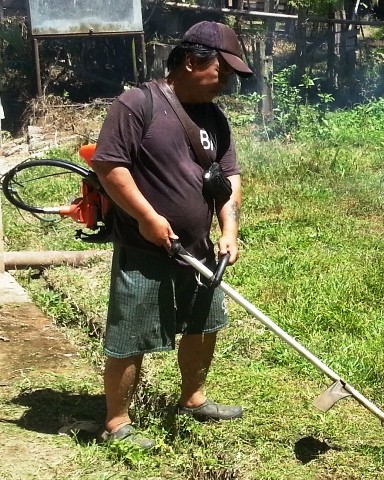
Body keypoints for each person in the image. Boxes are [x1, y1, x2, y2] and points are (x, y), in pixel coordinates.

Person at [91, 20, 253, 449]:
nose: (227, 84)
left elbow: (229, 177)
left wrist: (229, 229)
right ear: (188, 62)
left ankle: (193, 399)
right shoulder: (136, 105)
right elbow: (109, 166)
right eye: (222, 72)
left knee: (205, 324)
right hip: (146, 247)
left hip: (200, 250)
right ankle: (117, 422)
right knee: (131, 336)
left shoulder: (214, 117)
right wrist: (146, 216)